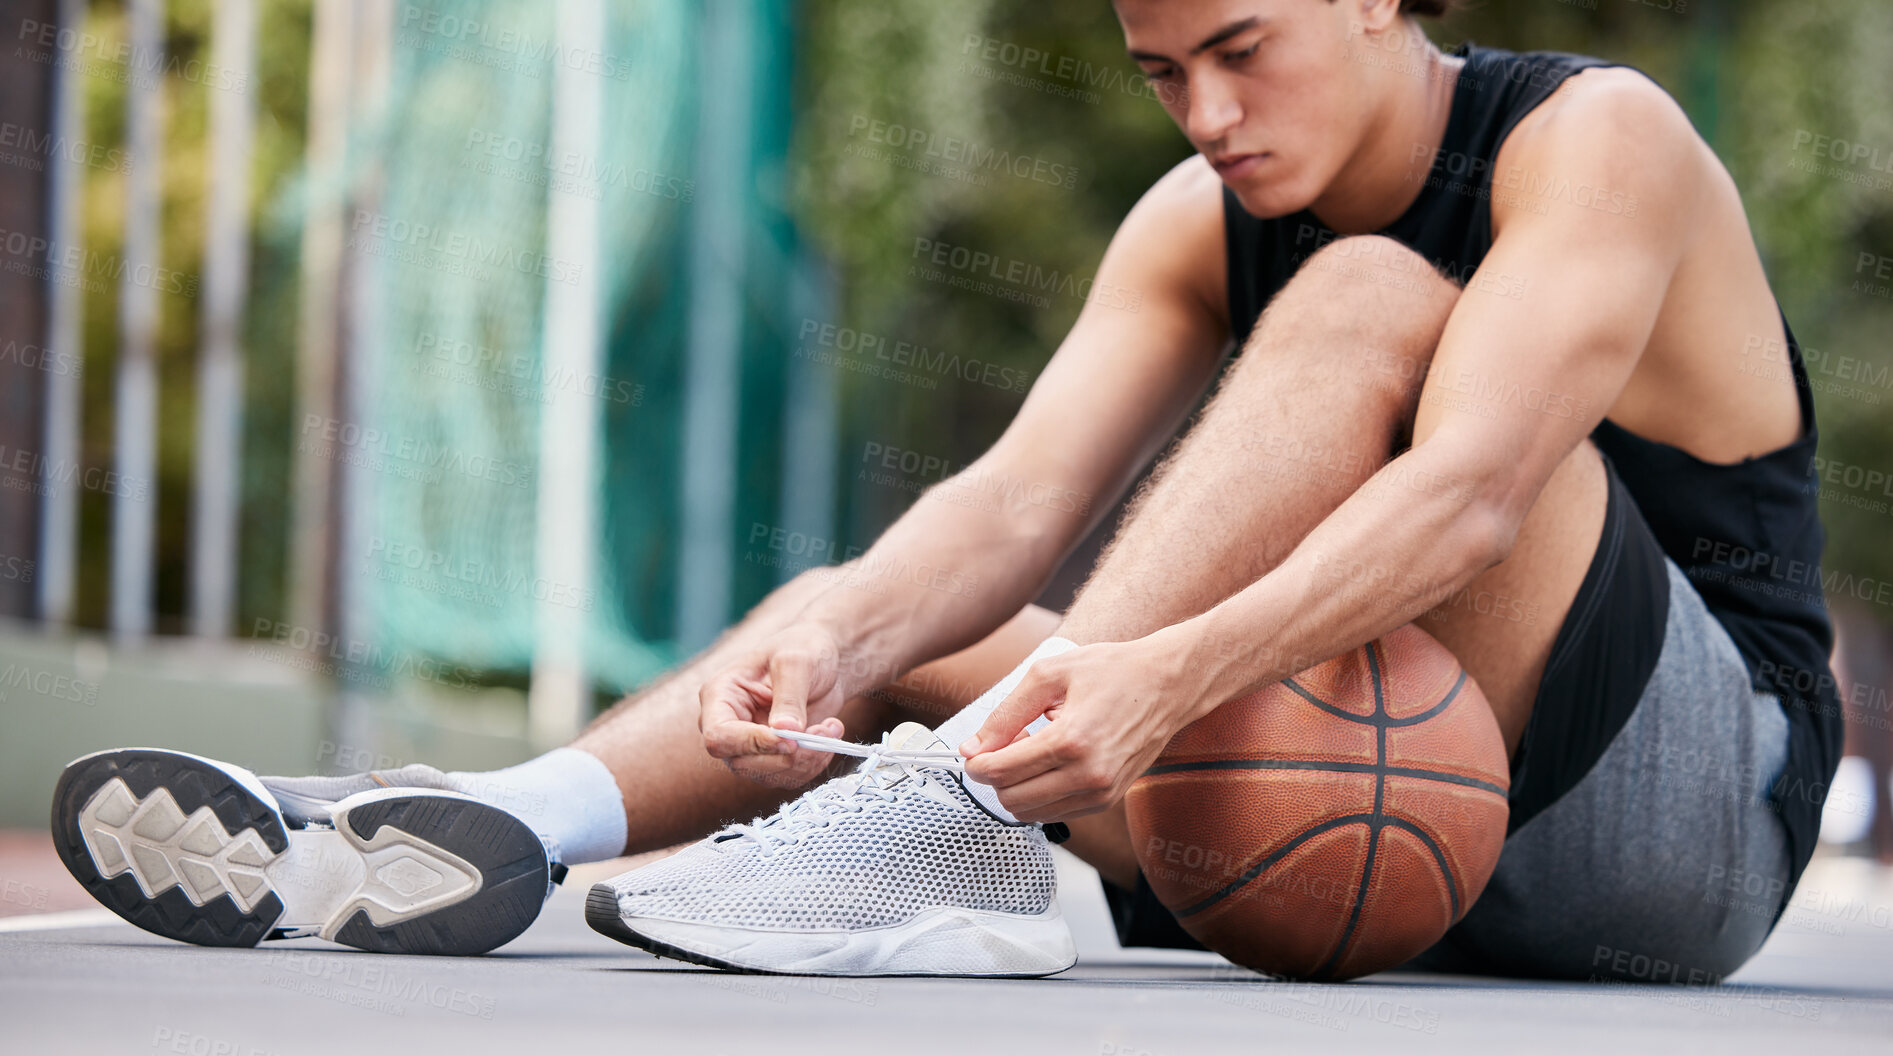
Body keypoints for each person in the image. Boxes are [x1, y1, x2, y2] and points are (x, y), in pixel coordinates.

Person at [54, 0, 1841, 979]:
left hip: (1676, 828)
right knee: (861, 621)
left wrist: (1158, 677)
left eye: (1241, 47)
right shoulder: (1193, 218)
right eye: (1161, 75)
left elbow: (1468, 496)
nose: (1205, 113)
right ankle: (478, 827)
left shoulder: (1591, 137)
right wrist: (839, 635)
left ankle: (925, 829)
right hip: (1369, 832)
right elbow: (1002, 508)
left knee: (1369, 293)